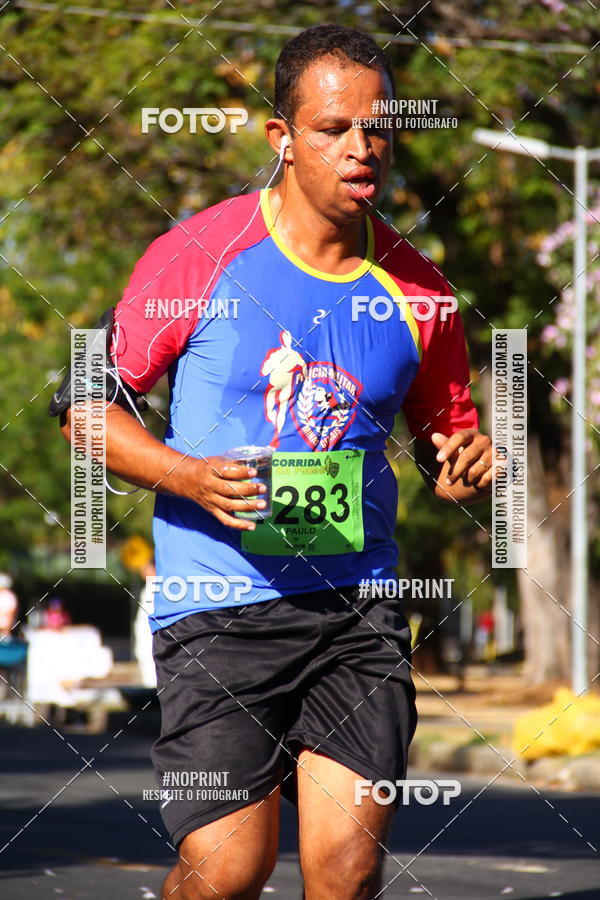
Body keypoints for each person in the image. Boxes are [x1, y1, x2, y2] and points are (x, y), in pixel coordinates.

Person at [57, 24, 495, 900]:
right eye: (334, 128)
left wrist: (467, 465)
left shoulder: (422, 291)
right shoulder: (199, 254)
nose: (361, 148)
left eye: (378, 128)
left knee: (347, 867)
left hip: (358, 613)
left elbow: (448, 432)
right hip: (219, 610)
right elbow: (81, 403)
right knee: (226, 872)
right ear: (282, 139)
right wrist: (181, 474)